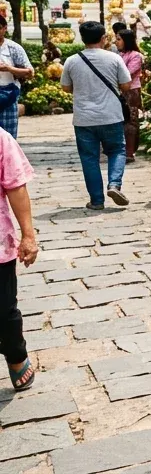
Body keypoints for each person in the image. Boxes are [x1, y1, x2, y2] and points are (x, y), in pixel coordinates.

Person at [60, 21, 130, 210]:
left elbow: (65, 87)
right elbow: (126, 85)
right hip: (111, 115)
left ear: (82, 39)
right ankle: (114, 184)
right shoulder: (114, 59)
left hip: (83, 118)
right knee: (117, 151)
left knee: (89, 158)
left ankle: (97, 201)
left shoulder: (71, 61)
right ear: (103, 38)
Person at [0, 128, 38, 392]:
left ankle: (16, 355)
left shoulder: (1, 139)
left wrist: (28, 235)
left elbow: (16, 186)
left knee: (3, 310)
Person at [0, 15, 34, 139]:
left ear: (5, 28)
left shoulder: (14, 48)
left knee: (8, 139)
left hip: (8, 96)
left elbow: (30, 73)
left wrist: (9, 68)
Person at [116, 30, 143, 161]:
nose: (116, 42)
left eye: (119, 39)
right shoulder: (119, 55)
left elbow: (127, 73)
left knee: (130, 120)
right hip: (119, 91)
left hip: (131, 91)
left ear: (126, 40)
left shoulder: (136, 56)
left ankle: (129, 152)